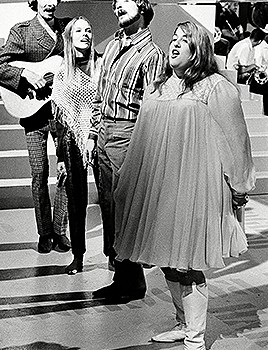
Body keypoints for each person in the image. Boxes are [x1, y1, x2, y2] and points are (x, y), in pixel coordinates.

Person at [113, 21, 255, 349]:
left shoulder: (215, 88)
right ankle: (182, 323)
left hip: (197, 191)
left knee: (188, 264)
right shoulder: (158, 87)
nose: (174, 45)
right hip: (162, 188)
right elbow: (143, 136)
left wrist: (239, 184)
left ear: (199, 50)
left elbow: (235, 139)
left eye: (184, 40)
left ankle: (195, 337)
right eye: (173, 39)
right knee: (167, 257)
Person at [86, 0, 165, 300]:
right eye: (116, 2)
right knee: (109, 207)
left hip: (128, 131)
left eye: (126, 1)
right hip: (105, 130)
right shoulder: (113, 46)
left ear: (143, 6)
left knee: (126, 209)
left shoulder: (151, 54)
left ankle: (132, 281)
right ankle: (124, 276)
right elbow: (99, 94)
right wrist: (94, 134)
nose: (118, 5)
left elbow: (151, 107)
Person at [0, 0, 71, 253]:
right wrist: (25, 74)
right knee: (39, 174)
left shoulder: (67, 28)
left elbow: (85, 56)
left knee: (66, 172)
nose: (50, 3)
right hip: (33, 114)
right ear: (35, 2)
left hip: (63, 114)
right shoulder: (22, 31)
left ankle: (60, 230)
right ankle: (44, 232)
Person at [51, 16, 102, 274]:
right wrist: (60, 155)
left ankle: (113, 255)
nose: (85, 34)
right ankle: (78, 256)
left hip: (100, 135)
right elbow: (59, 116)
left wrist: (92, 134)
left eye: (89, 29)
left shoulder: (101, 65)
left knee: (110, 199)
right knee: (76, 200)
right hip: (71, 138)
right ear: (69, 37)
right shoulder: (63, 71)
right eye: (79, 30)